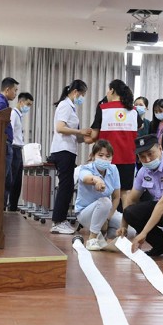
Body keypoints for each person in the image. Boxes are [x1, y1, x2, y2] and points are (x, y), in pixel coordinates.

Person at [87, 79, 141, 208]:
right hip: (128, 157)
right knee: (125, 192)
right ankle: (126, 220)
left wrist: (84, 136)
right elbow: (140, 126)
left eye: (108, 89)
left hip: (107, 158)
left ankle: (106, 219)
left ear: (112, 90)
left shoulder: (103, 108)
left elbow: (94, 135)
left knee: (105, 191)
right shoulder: (133, 110)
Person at [75, 140, 135, 251]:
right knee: (105, 201)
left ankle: (103, 236)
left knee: (130, 231)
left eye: (108, 156)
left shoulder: (113, 169)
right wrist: (96, 180)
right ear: (93, 156)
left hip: (106, 211)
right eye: (100, 155)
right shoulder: (86, 168)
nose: (104, 159)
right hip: (85, 213)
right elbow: (87, 178)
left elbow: (116, 197)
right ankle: (92, 238)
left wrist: (107, 219)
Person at [49, 79, 91, 234]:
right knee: (65, 186)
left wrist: (87, 137)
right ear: (75, 92)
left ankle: (61, 219)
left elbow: (74, 135)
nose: (82, 98)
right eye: (82, 94)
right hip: (63, 151)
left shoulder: (70, 107)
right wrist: (80, 132)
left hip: (68, 150)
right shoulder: (65, 105)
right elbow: (60, 128)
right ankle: (58, 222)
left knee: (67, 186)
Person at [0, 77, 19, 209]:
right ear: (7, 90)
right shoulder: (0, 103)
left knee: (7, 181)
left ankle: (1, 211)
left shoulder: (2, 102)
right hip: (3, 145)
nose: (16, 93)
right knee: (2, 180)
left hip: (5, 145)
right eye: (15, 90)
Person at [7, 92, 33, 211]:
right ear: (21, 102)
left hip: (18, 149)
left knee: (18, 180)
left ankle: (13, 205)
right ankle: (8, 205)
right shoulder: (13, 114)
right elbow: (10, 131)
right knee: (12, 179)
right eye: (28, 104)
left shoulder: (19, 115)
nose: (28, 107)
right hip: (13, 148)